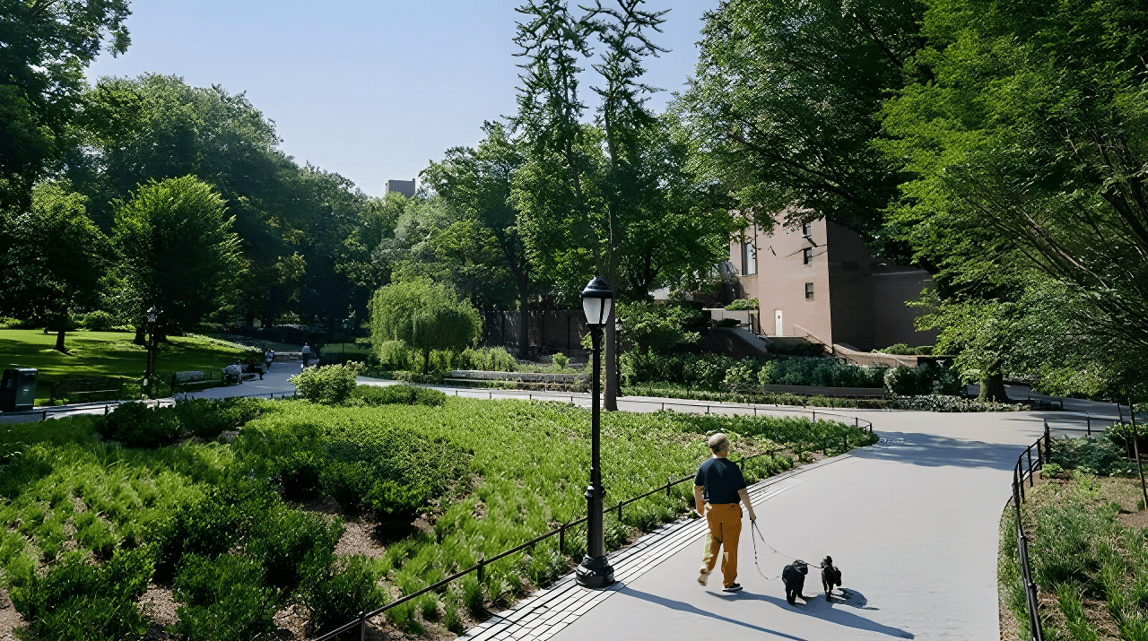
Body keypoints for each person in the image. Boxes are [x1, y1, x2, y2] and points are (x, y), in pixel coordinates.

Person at [694, 432, 757, 593]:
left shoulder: (705, 466)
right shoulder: (732, 468)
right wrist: (751, 512)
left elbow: (697, 487)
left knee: (713, 539)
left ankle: (706, 566)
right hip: (730, 511)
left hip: (712, 510)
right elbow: (742, 492)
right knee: (730, 547)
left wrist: (700, 506)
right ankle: (728, 582)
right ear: (724, 448)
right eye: (728, 445)